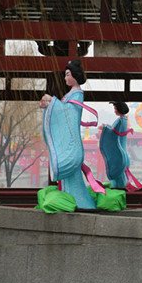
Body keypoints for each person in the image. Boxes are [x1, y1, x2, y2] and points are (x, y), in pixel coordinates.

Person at [37, 60, 103, 212]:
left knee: (73, 180)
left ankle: (80, 203)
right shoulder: (72, 93)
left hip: (71, 144)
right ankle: (77, 202)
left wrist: (51, 101)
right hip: (71, 143)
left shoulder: (77, 93)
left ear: (75, 75)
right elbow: (65, 111)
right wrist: (50, 104)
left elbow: (69, 114)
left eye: (68, 74)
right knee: (72, 180)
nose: (65, 78)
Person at [99, 101, 142, 191]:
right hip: (122, 147)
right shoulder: (124, 120)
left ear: (120, 109)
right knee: (121, 173)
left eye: (115, 109)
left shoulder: (120, 120)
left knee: (118, 170)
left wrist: (105, 128)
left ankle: (119, 187)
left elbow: (114, 132)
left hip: (118, 148)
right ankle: (121, 186)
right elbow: (116, 131)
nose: (114, 111)